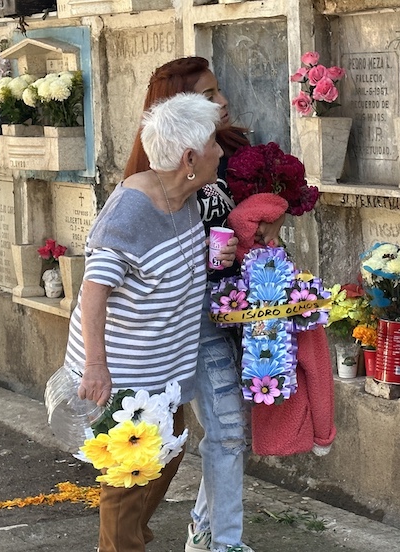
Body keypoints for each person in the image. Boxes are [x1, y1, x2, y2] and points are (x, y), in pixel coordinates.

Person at [124, 57, 281, 552]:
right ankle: (199, 536)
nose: (224, 102)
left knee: (229, 428)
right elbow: (115, 270)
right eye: (209, 96)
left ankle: (212, 534)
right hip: (174, 322)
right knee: (177, 438)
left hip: (222, 313)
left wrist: (253, 234)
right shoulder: (146, 187)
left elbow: (229, 229)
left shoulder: (220, 162)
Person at [66, 92, 225, 552]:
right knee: (126, 487)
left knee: (165, 461)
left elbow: (177, 263)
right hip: (126, 377)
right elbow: (93, 291)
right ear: (190, 157)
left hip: (167, 373)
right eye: (214, 143)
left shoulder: (186, 195)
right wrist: (97, 366)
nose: (221, 150)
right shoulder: (130, 212)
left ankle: (128, 540)